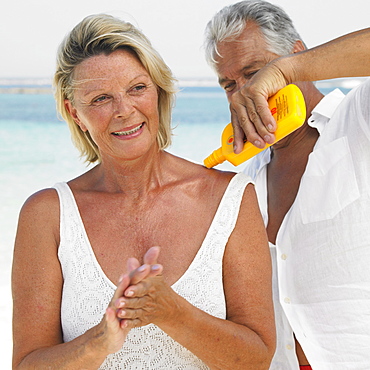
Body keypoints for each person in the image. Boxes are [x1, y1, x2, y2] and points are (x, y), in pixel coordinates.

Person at [11, 13, 276, 369]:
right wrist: (98, 342)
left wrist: (173, 313)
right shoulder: (47, 214)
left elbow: (257, 359)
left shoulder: (230, 198)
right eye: (101, 98)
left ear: (158, 90)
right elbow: (27, 364)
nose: (125, 110)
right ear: (75, 113)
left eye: (137, 88)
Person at [204, 1, 370, 369]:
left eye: (255, 71)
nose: (244, 93)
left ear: (296, 52)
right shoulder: (245, 182)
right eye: (229, 84)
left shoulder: (358, 119)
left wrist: (286, 71)